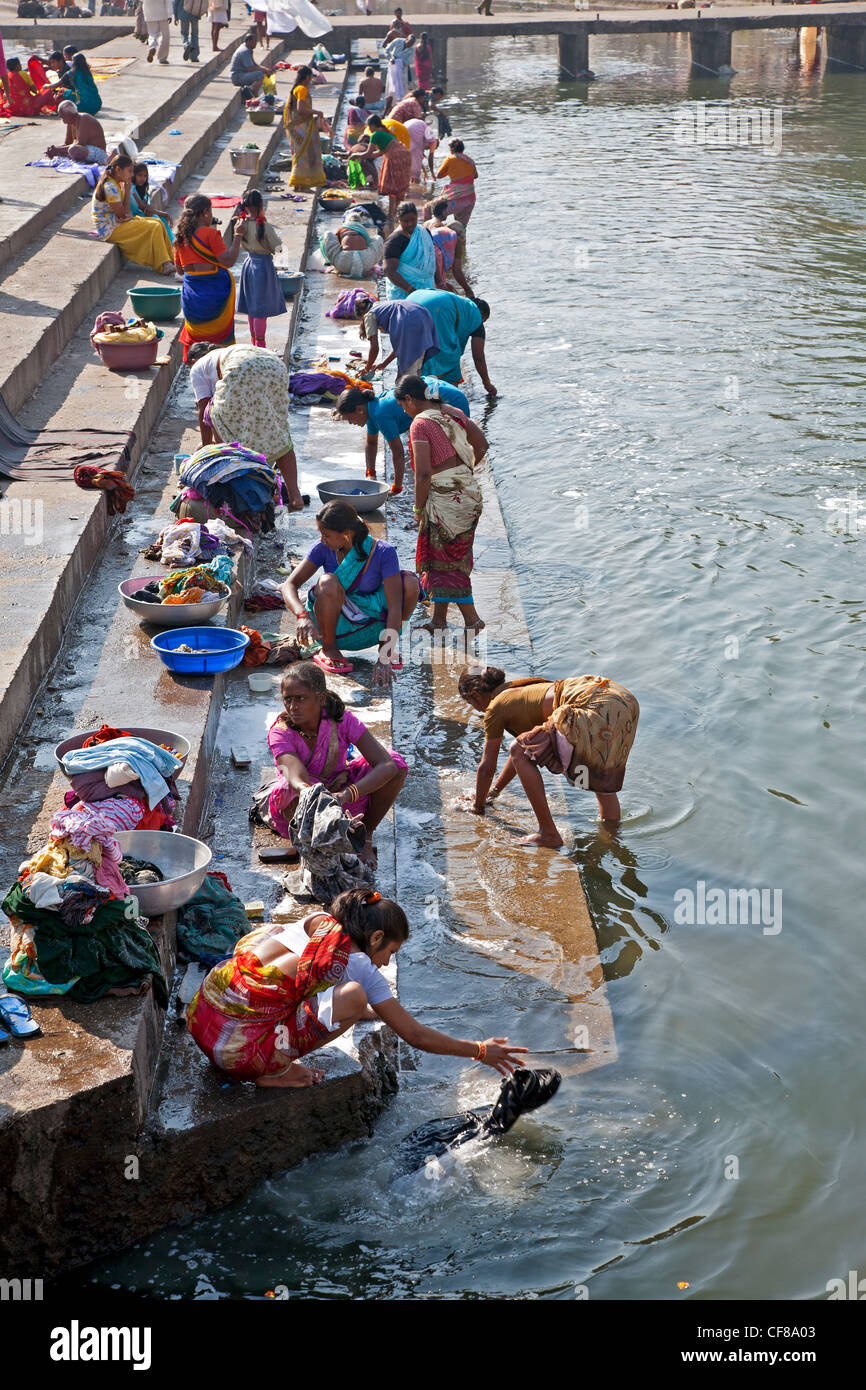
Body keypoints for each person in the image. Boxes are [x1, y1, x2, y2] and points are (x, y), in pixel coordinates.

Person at [187, 886, 528, 1086]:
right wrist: (480, 1050)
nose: (387, 963)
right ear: (376, 938)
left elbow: (299, 985)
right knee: (352, 999)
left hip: (202, 1018)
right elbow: (416, 1035)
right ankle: (274, 1072)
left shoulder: (316, 923)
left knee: (291, 978)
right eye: (390, 952)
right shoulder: (360, 965)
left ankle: (264, 1051)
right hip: (235, 1054)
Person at [456, 668, 641, 843]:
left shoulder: (495, 707)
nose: (476, 709)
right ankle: (612, 839)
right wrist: (492, 793)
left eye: (470, 703)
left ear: (476, 695)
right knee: (601, 780)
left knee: (518, 750)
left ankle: (548, 833)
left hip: (592, 706)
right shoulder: (524, 688)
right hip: (621, 699)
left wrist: (478, 807)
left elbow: (487, 767)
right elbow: (521, 752)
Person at [281, 504, 420, 679]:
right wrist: (302, 616)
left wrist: (385, 655)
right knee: (328, 581)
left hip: (371, 626)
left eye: (326, 535)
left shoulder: (383, 552)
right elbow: (289, 585)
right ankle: (329, 648)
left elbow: (394, 607)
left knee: (410, 582)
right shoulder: (322, 548)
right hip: (331, 626)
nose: (322, 539)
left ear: (346, 533)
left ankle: (385, 645)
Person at [395, 375, 487, 635]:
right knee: (450, 557)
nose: (405, 411)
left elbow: (423, 474)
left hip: (445, 499)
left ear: (410, 399)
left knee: (445, 561)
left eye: (403, 405)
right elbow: (482, 444)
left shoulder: (420, 424)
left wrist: (417, 507)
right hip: (469, 494)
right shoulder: (453, 412)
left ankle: (473, 621)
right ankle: (439, 621)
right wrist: (463, 472)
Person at [186, 341, 304, 508]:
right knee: (277, 431)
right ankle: (295, 496)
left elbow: (203, 408)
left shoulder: (197, 368)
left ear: (191, 362)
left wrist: (207, 450)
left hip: (243, 369)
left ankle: (233, 481)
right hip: (275, 365)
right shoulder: (227, 352)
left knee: (214, 414)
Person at [333, 378, 469, 499]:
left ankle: (456, 493)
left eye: (349, 419)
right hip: (436, 390)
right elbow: (371, 443)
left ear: (359, 409)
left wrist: (397, 488)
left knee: (447, 456)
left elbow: (398, 453)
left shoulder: (380, 414)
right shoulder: (371, 411)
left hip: (453, 399)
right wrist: (371, 473)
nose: (351, 423)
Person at [174, 193, 240, 362]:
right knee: (219, 349)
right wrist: (238, 236)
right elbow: (229, 261)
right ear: (205, 212)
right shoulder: (210, 234)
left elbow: (180, 271)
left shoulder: (180, 237)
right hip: (215, 298)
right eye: (210, 211)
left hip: (192, 302)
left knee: (197, 348)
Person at [91, 154, 174, 272]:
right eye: (129, 171)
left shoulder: (118, 183)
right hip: (109, 228)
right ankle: (163, 265)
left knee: (157, 222)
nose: (131, 175)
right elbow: (124, 215)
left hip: (117, 222)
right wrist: (128, 190)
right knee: (154, 226)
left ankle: (171, 260)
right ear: (118, 170)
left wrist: (127, 191)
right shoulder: (110, 187)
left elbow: (126, 214)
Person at [408, 289, 496, 394]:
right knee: (450, 360)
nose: (480, 324)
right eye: (483, 321)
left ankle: (409, 394)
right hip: (438, 308)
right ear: (482, 314)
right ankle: (446, 400)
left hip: (412, 300)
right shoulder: (475, 316)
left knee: (412, 351)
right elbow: (478, 357)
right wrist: (487, 383)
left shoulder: (461, 305)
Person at [228, 189, 285, 347]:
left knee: (253, 307)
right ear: (261, 205)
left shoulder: (240, 224)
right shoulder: (264, 226)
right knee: (260, 308)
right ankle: (260, 345)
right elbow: (278, 248)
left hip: (248, 264)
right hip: (263, 266)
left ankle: (254, 341)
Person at [352, 293, 440, 382]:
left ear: (362, 315)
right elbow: (400, 346)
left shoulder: (369, 315)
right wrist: (384, 364)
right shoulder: (382, 306)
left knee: (404, 381)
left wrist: (367, 369)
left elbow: (374, 348)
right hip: (423, 315)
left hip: (409, 320)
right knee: (416, 368)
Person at [348, 114, 411, 224]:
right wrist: (358, 155)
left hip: (395, 156)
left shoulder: (376, 134)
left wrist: (356, 155)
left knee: (392, 186)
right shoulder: (385, 132)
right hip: (404, 154)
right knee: (397, 186)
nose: (369, 129)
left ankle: (391, 216)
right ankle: (394, 214)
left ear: (373, 125)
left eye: (369, 126)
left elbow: (368, 152)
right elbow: (378, 153)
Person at [383, 201, 437, 299]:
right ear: (399, 220)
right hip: (403, 293)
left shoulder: (424, 233)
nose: (410, 224)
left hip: (427, 289)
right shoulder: (395, 240)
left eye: (413, 219)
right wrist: (411, 290)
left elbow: (431, 261)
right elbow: (389, 270)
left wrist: (441, 283)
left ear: (417, 216)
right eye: (405, 221)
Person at [285, 65, 327, 191]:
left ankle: (299, 184)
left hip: (296, 126)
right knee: (305, 154)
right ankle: (303, 185)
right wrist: (317, 112)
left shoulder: (297, 88)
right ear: (307, 77)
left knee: (299, 153)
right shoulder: (302, 89)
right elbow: (301, 109)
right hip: (301, 126)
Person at [424, 198, 472, 296]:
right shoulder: (441, 228)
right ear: (443, 211)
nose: (448, 213)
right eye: (447, 210)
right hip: (436, 262)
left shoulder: (427, 223)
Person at [318, 208, 384, 279]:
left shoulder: (342, 229)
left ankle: (329, 262)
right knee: (378, 238)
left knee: (327, 234)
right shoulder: (362, 230)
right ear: (360, 221)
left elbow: (338, 244)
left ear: (346, 221)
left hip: (343, 264)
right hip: (365, 264)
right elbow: (368, 244)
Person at [437, 138, 479, 226]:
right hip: (470, 198)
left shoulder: (450, 159)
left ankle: (435, 235)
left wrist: (450, 171)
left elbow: (439, 175)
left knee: (435, 212)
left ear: (452, 149)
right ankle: (461, 238)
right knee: (461, 226)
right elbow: (475, 176)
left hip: (455, 198)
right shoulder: (470, 160)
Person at [130, 162, 173, 240]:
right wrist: (165, 214)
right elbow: (143, 207)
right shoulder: (131, 189)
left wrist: (160, 213)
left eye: (145, 176)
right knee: (157, 219)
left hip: (141, 215)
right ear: (134, 175)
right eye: (139, 175)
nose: (142, 178)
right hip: (134, 218)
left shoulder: (142, 189)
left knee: (160, 219)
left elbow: (148, 206)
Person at [230, 29, 273, 95]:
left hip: (242, 74)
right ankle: (254, 95)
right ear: (249, 41)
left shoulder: (248, 49)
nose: (256, 44)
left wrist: (266, 69)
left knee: (266, 73)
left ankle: (270, 94)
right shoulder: (245, 51)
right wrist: (264, 71)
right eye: (254, 42)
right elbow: (250, 68)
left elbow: (255, 65)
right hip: (237, 77)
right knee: (259, 74)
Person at [383, 31, 414, 106]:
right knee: (391, 85)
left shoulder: (412, 49)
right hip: (393, 67)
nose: (408, 45)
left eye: (411, 45)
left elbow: (409, 61)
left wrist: (399, 61)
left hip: (402, 69)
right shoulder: (398, 41)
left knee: (403, 86)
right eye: (408, 43)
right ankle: (390, 103)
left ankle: (401, 103)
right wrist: (390, 58)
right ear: (406, 39)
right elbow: (387, 50)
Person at [405, 116, 437, 184]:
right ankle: (415, 191)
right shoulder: (433, 141)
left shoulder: (424, 132)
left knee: (407, 165)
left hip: (404, 128)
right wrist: (432, 173)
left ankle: (409, 186)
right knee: (416, 176)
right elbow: (430, 158)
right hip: (413, 130)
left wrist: (424, 171)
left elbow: (418, 158)